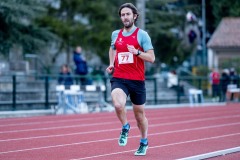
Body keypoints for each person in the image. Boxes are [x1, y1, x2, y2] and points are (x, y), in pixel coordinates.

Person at [106, 3, 155, 156]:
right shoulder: (116, 34)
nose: (125, 17)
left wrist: (137, 52)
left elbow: (152, 58)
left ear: (134, 16)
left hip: (137, 80)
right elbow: (112, 48)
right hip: (119, 78)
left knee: (139, 116)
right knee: (118, 104)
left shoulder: (142, 35)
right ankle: (125, 127)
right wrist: (111, 63)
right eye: (122, 15)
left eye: (128, 14)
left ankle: (144, 141)